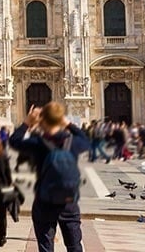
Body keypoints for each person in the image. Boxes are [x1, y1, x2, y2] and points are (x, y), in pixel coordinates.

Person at [10, 102, 90, 252]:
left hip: (44, 202)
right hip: (68, 203)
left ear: (43, 120)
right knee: (74, 247)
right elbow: (85, 140)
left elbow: (14, 140)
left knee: (46, 248)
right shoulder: (73, 142)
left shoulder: (37, 143)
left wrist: (28, 121)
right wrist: (67, 123)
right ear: (60, 119)